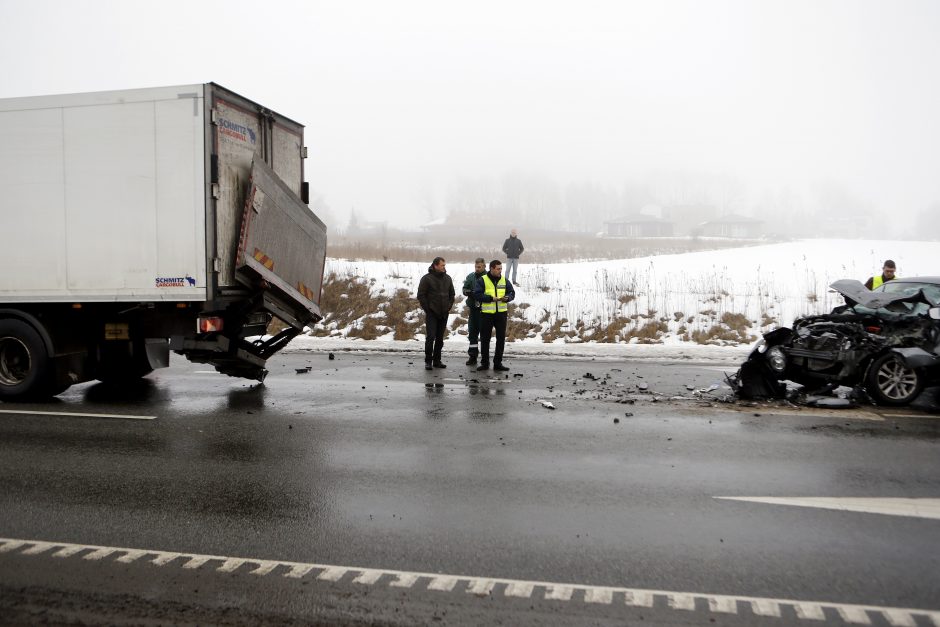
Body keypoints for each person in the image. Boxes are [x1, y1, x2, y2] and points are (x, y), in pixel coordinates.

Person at [473, 259, 515, 372]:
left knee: (500, 339)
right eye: (498, 269)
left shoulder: (504, 280)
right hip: (486, 314)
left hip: (501, 314)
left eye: (501, 268)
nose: (500, 271)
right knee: (485, 339)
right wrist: (491, 299)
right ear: (491, 269)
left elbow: (512, 292)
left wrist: (508, 298)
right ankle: (485, 363)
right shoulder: (483, 280)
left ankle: (498, 363)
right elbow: (477, 294)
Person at [417, 257, 455, 370]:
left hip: (444, 313)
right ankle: (428, 361)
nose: (444, 267)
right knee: (431, 337)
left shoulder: (448, 278)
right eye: (442, 265)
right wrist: (428, 309)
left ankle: (437, 360)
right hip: (432, 313)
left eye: (444, 265)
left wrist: (449, 307)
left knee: (440, 338)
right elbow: (421, 295)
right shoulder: (427, 279)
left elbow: (452, 294)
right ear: (435, 265)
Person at [462, 258, 487, 366]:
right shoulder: (470, 276)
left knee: (484, 335)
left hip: (485, 310)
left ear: (484, 266)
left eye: (479, 267)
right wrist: (469, 292)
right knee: (472, 333)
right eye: (476, 267)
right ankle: (472, 356)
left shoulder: (488, 277)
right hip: (473, 310)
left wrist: (481, 295)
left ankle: (485, 359)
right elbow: (464, 288)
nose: (477, 269)